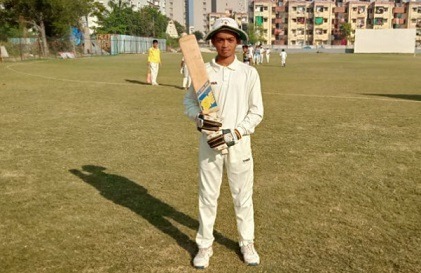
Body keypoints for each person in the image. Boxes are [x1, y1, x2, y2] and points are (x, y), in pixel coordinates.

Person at [183, 17, 264, 269]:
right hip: (209, 142)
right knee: (207, 196)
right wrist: (199, 119)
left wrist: (236, 133)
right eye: (220, 39)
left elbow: (257, 112)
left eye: (230, 40)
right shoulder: (202, 72)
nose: (225, 44)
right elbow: (189, 104)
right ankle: (205, 245)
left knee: (242, 196)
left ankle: (246, 242)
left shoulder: (249, 72)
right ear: (213, 42)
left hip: (238, 144)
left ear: (238, 42)